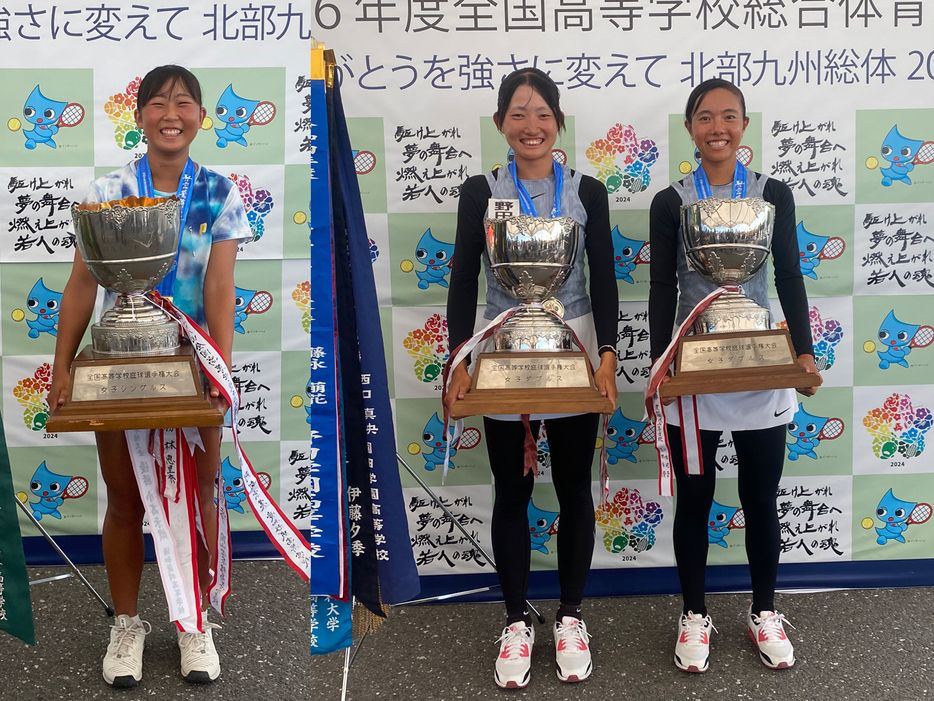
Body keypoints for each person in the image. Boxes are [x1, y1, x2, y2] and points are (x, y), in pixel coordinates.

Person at [48, 65, 251, 687]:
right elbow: (84, 284)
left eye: (184, 102)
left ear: (199, 117)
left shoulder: (218, 191)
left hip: (191, 369)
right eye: (158, 103)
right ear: (138, 118)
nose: (172, 112)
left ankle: (194, 625)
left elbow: (220, 287)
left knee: (202, 493)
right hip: (120, 369)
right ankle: (128, 623)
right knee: (124, 500)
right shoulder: (110, 188)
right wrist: (62, 366)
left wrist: (221, 368)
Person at [444, 68, 618, 689]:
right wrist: (458, 360)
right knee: (512, 491)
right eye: (518, 114)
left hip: (572, 351)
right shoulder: (479, 191)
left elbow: (605, 278)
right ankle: (516, 618)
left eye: (542, 113)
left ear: (559, 123)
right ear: (500, 125)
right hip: (503, 353)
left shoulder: (586, 191)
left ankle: (570, 616)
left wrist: (608, 354)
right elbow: (464, 278)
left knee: (573, 488)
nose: (531, 125)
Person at [648, 78, 820, 674]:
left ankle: (763, 611)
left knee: (759, 498)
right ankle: (694, 613)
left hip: (760, 364)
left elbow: (791, 276)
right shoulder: (671, 200)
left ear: (744, 125)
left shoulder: (773, 194)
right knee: (694, 501)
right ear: (690, 127)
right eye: (704, 117)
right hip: (694, 369)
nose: (716, 127)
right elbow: (661, 286)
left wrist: (802, 350)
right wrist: (659, 357)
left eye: (728, 116)